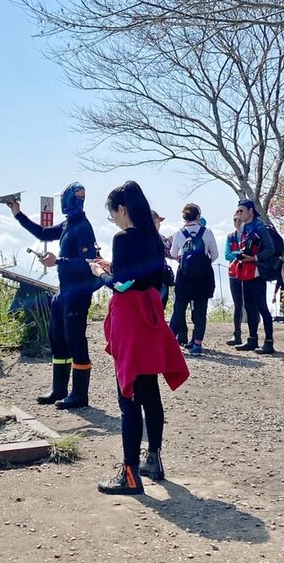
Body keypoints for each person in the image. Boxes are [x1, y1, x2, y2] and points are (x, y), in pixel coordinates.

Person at [90, 181, 189, 495]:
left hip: (130, 320)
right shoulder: (153, 238)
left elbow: (120, 285)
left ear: (122, 209)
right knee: (149, 390)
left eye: (113, 215)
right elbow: (142, 276)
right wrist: (115, 270)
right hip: (151, 316)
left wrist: (100, 273)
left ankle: (129, 474)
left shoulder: (123, 238)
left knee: (128, 397)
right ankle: (153, 460)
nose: (114, 221)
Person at [6, 182, 97, 409]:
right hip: (63, 292)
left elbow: (89, 264)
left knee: (76, 341)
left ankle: (79, 394)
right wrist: (18, 213)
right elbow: (43, 233)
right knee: (57, 339)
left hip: (77, 294)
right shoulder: (70, 224)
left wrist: (57, 261)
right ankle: (59, 389)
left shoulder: (83, 227)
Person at [168, 203, 219, 355]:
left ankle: (169, 343)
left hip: (184, 276)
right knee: (200, 310)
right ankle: (197, 344)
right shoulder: (207, 232)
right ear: (198, 216)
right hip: (203, 277)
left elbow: (172, 252)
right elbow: (215, 255)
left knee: (179, 309)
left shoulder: (179, 233)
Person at [232, 199, 276, 354]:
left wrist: (254, 258)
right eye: (237, 211)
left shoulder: (259, 227)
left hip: (257, 272)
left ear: (250, 211)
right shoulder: (244, 227)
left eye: (241, 211)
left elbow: (270, 249)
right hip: (245, 271)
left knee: (262, 306)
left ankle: (269, 342)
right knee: (248, 306)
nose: (239, 214)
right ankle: (252, 339)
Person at [225, 211, 246, 345]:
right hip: (233, 273)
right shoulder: (230, 237)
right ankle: (236, 333)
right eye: (234, 220)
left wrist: (236, 254)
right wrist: (240, 255)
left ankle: (252, 336)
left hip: (247, 273)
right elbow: (227, 255)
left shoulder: (248, 235)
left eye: (239, 220)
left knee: (250, 304)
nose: (237, 223)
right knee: (238, 304)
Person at [152, 210, 176, 308]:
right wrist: (171, 241)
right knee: (159, 306)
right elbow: (169, 252)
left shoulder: (138, 237)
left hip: (144, 278)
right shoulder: (159, 237)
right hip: (159, 276)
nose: (160, 225)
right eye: (158, 222)